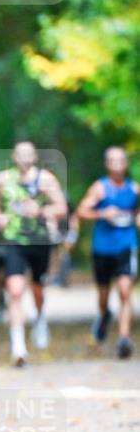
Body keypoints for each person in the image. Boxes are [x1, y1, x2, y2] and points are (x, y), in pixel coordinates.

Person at [0, 141, 67, 366]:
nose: (24, 158)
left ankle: (40, 318)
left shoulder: (46, 180)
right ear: (14, 156)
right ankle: (18, 347)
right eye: (20, 154)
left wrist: (41, 210)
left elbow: (62, 208)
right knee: (14, 290)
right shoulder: (3, 179)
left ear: (34, 157)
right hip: (14, 241)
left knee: (38, 289)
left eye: (28, 154)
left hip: (40, 241)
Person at [76, 146, 139, 359]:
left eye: (121, 160)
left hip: (126, 245)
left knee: (124, 290)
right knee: (103, 296)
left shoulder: (134, 189)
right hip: (102, 247)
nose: (117, 164)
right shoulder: (100, 188)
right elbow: (81, 211)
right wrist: (103, 213)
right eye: (112, 161)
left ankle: (123, 338)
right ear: (107, 164)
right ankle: (104, 315)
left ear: (125, 163)